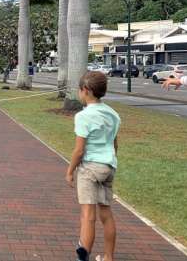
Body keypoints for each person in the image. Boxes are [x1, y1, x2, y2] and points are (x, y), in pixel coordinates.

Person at [66, 71, 120, 261]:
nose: (79, 94)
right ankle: (108, 257)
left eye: (80, 90)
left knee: (88, 215)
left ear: (86, 90)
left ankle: (83, 255)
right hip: (109, 166)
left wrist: (70, 171)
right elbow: (114, 144)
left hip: (90, 168)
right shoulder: (113, 114)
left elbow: (79, 150)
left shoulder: (83, 116)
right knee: (106, 213)